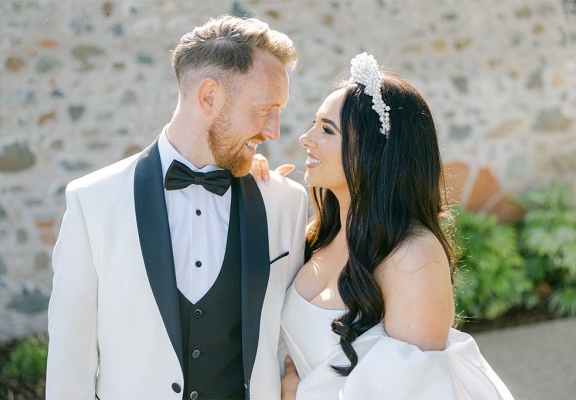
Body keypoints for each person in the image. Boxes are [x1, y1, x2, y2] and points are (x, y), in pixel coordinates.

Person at [46, 15, 308, 400]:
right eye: (264, 108)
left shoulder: (285, 202)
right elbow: (70, 362)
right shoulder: (93, 201)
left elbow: (291, 341)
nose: (273, 131)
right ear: (209, 97)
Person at [254, 53, 513, 399]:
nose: (305, 138)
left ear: (376, 150)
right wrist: (252, 189)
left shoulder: (413, 258)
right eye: (314, 124)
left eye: (326, 129)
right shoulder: (316, 235)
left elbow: (413, 390)